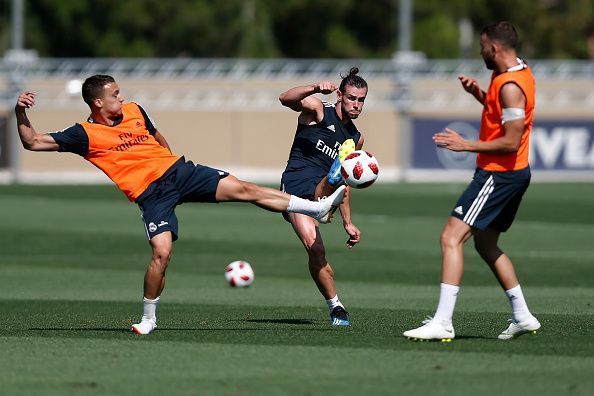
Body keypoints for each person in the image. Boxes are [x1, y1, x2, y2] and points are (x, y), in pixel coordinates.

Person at [15, 74, 347, 335]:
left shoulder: (135, 110)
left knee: (245, 189)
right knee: (161, 252)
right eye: (115, 94)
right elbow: (32, 142)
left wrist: (170, 162)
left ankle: (312, 208)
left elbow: (158, 139)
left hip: (179, 172)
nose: (122, 97)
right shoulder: (83, 134)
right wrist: (20, 111)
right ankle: (149, 318)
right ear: (98, 102)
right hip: (151, 194)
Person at [403, 21, 541, 341]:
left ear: (494, 48)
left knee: (451, 237)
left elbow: (510, 141)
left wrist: (466, 144)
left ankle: (443, 322)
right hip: (511, 173)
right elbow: (501, 115)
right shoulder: (513, 74)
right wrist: (479, 94)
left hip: (499, 174)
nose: (480, 51)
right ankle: (522, 315)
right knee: (486, 243)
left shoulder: (510, 86)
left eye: (482, 46)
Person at [278, 67, 368, 326]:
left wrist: (348, 222)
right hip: (295, 187)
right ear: (340, 95)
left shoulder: (355, 138)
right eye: (351, 98)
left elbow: (347, 183)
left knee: (340, 175)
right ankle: (336, 305)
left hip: (322, 193)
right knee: (314, 247)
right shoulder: (319, 110)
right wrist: (316, 87)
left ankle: (336, 310)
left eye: (361, 100)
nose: (356, 104)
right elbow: (285, 98)